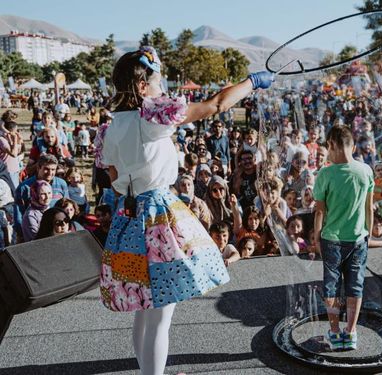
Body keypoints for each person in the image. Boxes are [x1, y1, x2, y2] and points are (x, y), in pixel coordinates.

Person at [99, 46, 273, 375]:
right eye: (157, 82)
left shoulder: (109, 128)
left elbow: (112, 178)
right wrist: (252, 82)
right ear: (141, 87)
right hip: (158, 216)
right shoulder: (151, 116)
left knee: (144, 307)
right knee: (161, 315)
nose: (162, 89)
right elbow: (216, 105)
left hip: (128, 216)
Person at [312, 125, 373, 351]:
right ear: (352, 146)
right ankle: (351, 332)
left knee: (332, 286)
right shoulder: (365, 170)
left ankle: (335, 332)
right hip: (358, 238)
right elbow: (369, 207)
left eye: (328, 147)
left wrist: (317, 238)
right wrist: (367, 233)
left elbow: (320, 211)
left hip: (332, 239)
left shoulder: (325, 174)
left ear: (333, 145)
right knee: (355, 286)